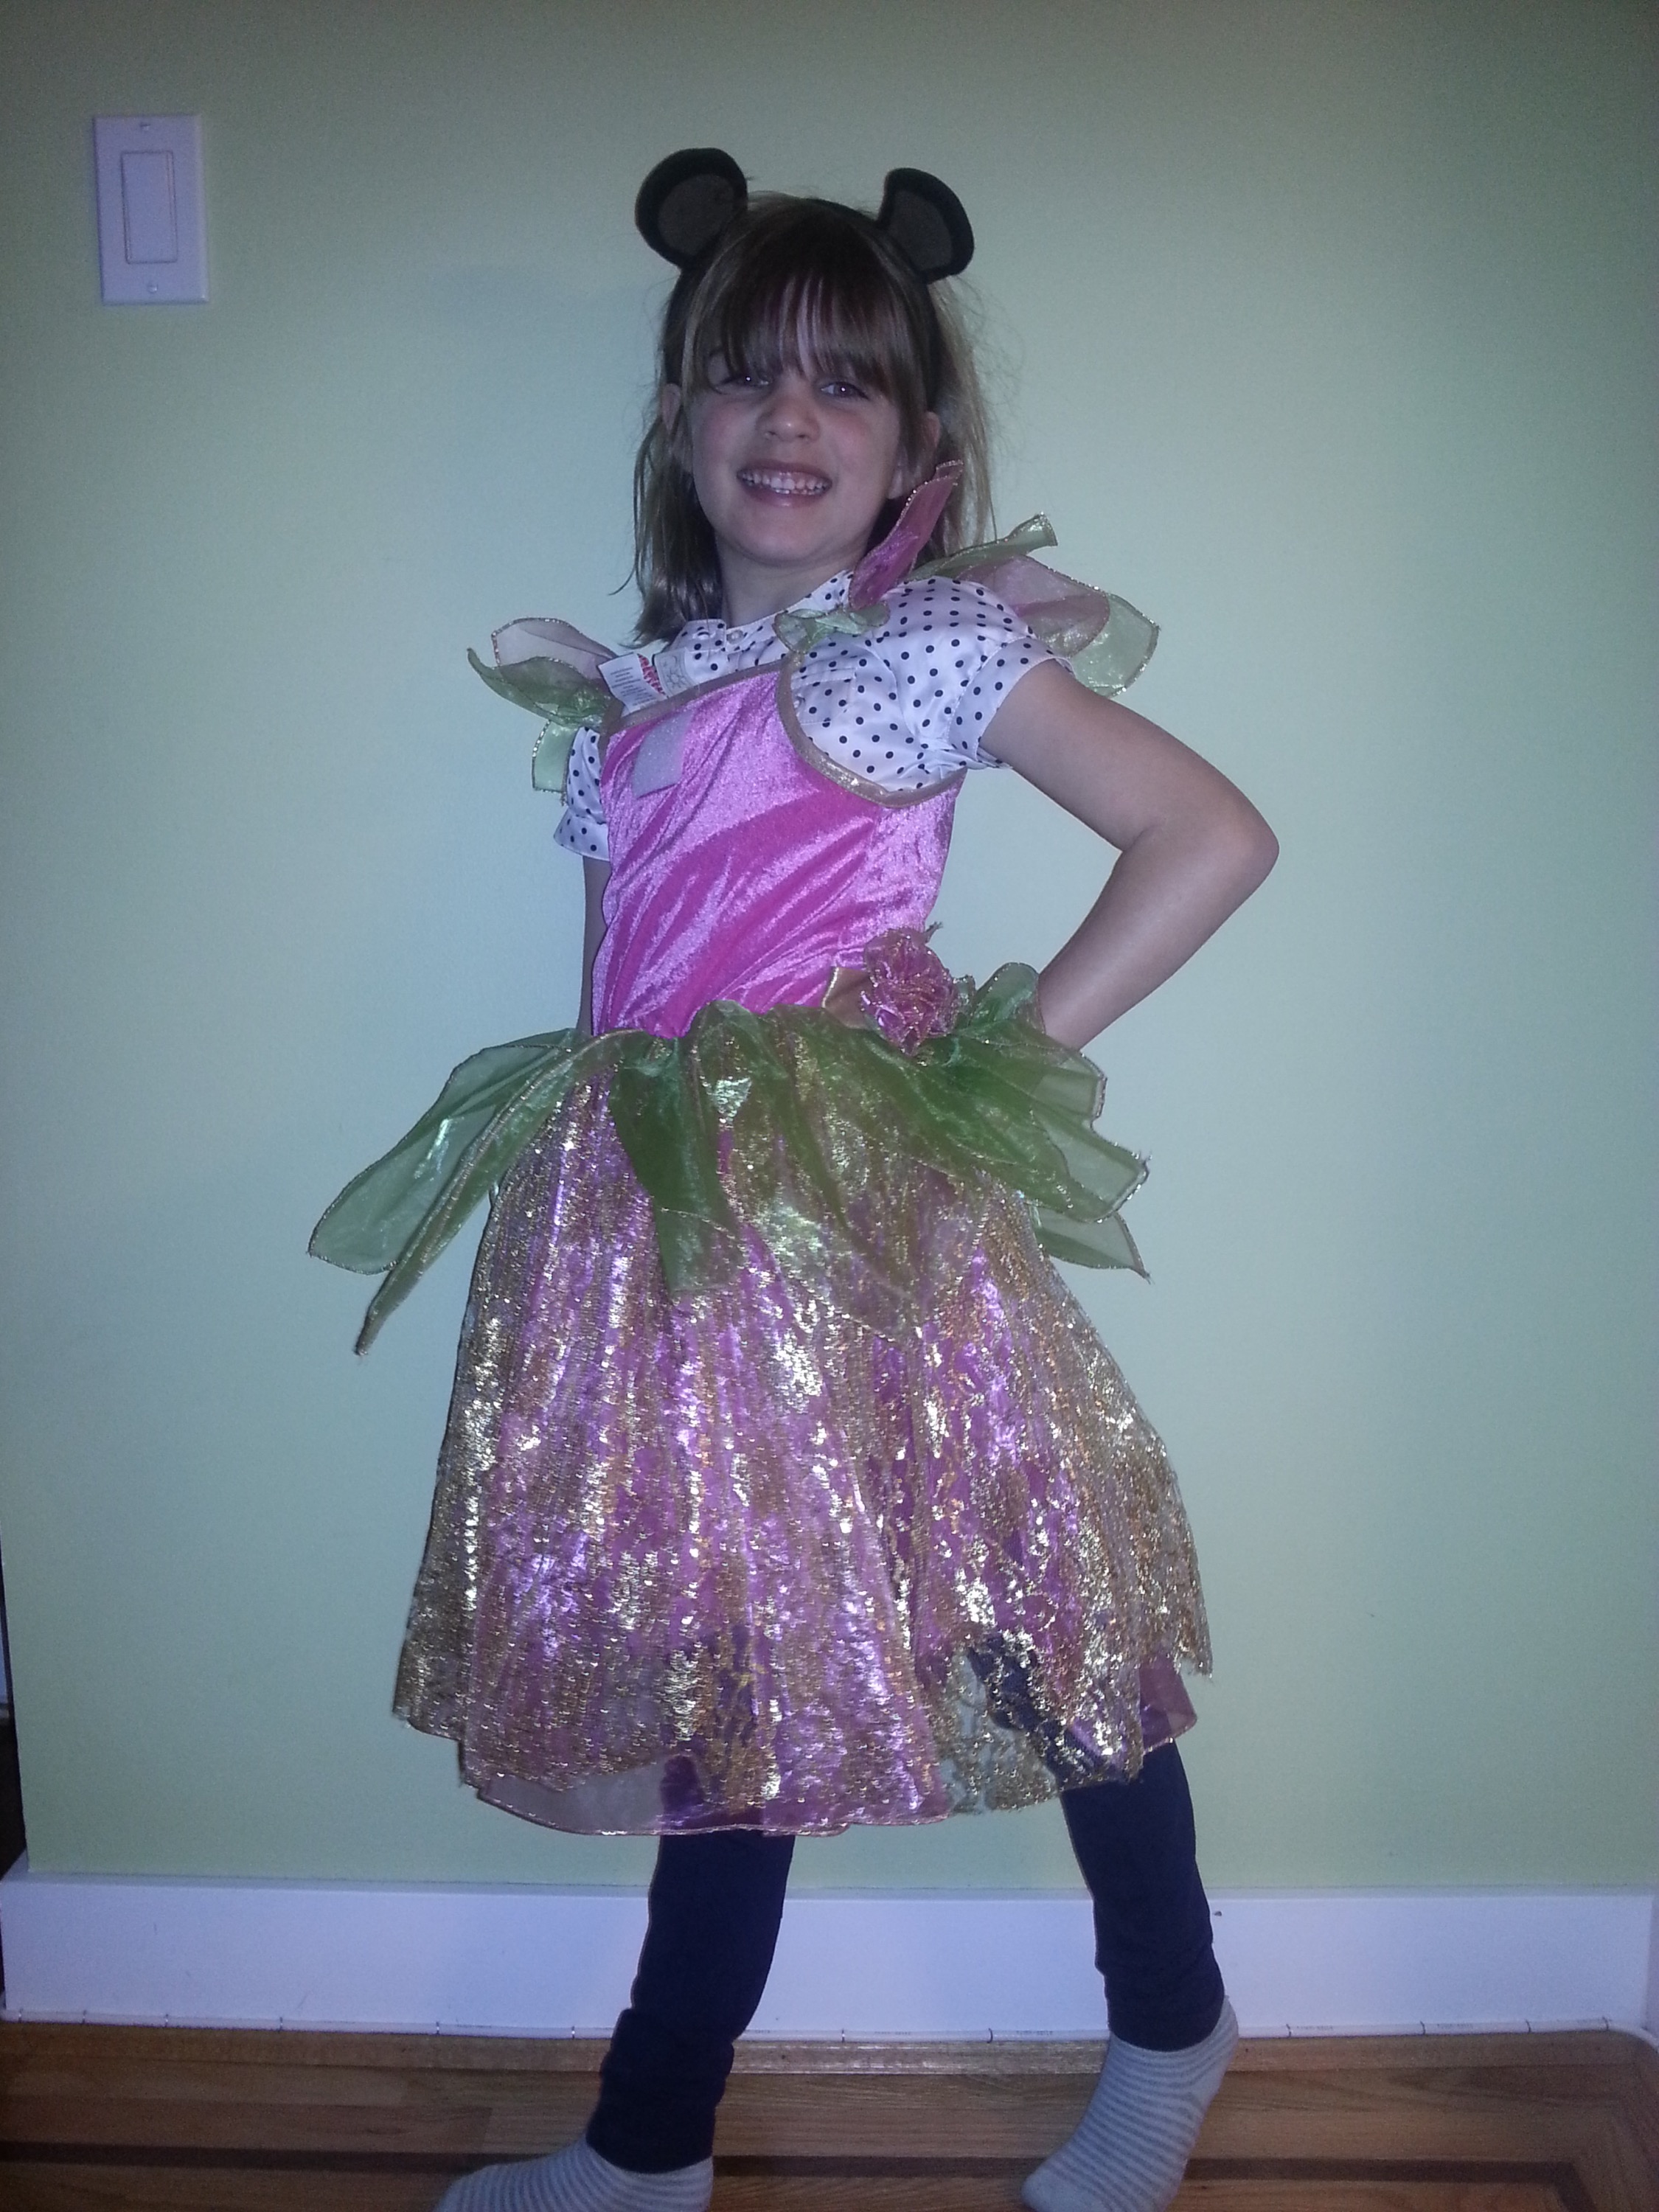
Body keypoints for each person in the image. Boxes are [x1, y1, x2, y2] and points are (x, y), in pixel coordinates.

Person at [313, 150, 1276, 2212]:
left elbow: (1206, 837)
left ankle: (1172, 2021)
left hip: (865, 1227)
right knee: (718, 1669)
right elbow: (622, 986)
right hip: (660, 1240)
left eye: (846, 382)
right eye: (745, 373)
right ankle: (652, 2141)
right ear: (679, 424)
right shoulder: (623, 702)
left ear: (916, 446)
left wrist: (1015, 1047)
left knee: (1046, 1625)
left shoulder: (912, 655)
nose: (788, 418)